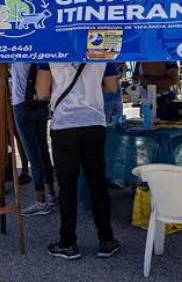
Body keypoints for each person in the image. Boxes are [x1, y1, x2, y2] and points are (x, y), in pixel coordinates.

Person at [36, 62, 120, 260]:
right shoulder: (101, 46)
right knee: (97, 184)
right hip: (94, 121)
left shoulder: (50, 49)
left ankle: (68, 242)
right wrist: (87, 91)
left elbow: (41, 91)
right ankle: (106, 241)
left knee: (67, 186)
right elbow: (112, 86)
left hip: (64, 125)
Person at [11, 63, 56, 217]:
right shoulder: (38, 51)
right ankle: (51, 193)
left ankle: (40, 201)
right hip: (41, 103)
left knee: (33, 154)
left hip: (21, 104)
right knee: (43, 150)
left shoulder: (16, 51)